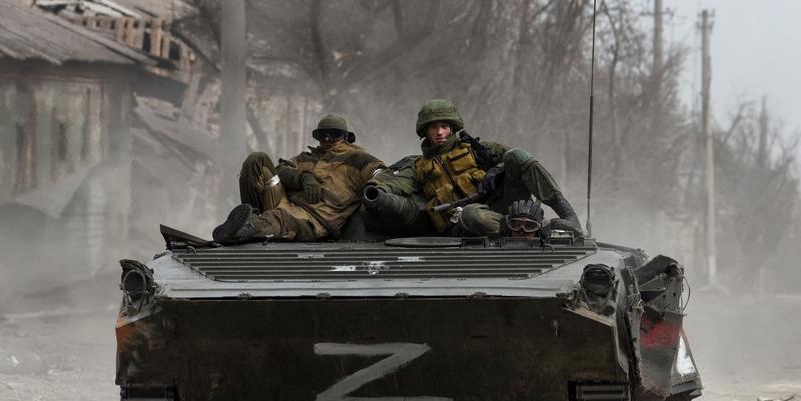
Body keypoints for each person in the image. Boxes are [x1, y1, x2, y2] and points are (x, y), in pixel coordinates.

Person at [364, 99, 580, 236]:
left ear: (452, 128)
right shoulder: (418, 166)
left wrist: (496, 169)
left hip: (504, 205)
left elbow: (516, 158)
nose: (439, 132)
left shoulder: (478, 149)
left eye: (444, 126)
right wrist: (376, 188)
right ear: (425, 131)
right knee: (470, 214)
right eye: (433, 127)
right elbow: (396, 183)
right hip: (467, 222)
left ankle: (568, 216)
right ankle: (533, 230)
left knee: (517, 155)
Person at [213, 114, 384, 244]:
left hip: (313, 221)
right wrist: (304, 177)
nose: (327, 139)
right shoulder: (306, 157)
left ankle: (248, 228)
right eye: (322, 135)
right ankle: (250, 217)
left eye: (334, 134)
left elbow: (380, 173)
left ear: (346, 136)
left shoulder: (358, 159)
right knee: (257, 160)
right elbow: (281, 169)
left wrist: (378, 191)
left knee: (278, 218)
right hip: (284, 202)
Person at [499, 199, 582, 240]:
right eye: (516, 225)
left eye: (529, 226)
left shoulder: (550, 250)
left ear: (540, 230)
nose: (522, 231)